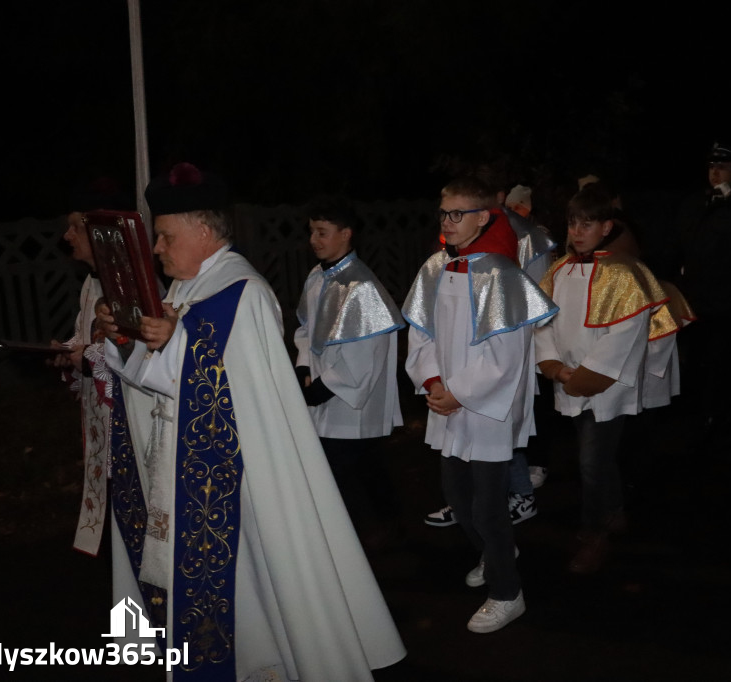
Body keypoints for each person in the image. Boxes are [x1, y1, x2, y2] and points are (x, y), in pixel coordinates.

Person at [97, 163, 405, 680]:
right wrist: (123, 337)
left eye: (165, 237)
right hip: (193, 473)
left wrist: (174, 342)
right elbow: (157, 377)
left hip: (240, 479)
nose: (157, 250)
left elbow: (220, 386)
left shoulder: (243, 292)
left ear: (202, 230)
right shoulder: (184, 290)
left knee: (261, 578)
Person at [403, 176, 558, 633]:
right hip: (446, 401)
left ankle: (508, 593)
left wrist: (459, 393)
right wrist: (432, 380)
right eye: (443, 213)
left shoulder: (501, 274)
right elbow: (421, 333)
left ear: (483, 217)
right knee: (457, 497)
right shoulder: (435, 268)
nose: (447, 223)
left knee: (489, 506)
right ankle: (496, 553)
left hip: (487, 406)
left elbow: (507, 357)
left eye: (458, 214)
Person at [535, 183, 674, 574]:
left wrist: (586, 374)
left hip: (605, 384)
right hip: (567, 377)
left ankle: (594, 534)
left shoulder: (625, 273)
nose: (577, 231)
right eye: (573, 223)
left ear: (606, 227)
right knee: (595, 458)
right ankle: (612, 510)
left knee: (591, 461)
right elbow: (542, 323)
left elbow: (627, 331)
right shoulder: (559, 270)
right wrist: (553, 366)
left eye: (588, 224)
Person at [293, 200, 404, 543]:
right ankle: (388, 524)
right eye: (312, 231)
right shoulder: (317, 277)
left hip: (350, 398)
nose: (314, 239)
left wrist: (322, 388)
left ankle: (354, 538)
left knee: (345, 469)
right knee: (364, 466)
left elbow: (363, 355)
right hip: (324, 387)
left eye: (322, 232)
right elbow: (305, 331)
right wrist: (302, 368)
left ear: (346, 234)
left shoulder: (361, 287)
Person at [667, 143, 731, 445]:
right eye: (712, 166)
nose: (715, 172)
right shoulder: (695, 202)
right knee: (698, 359)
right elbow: (679, 242)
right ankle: (702, 413)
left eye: (723, 166)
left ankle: (722, 416)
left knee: (725, 361)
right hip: (696, 297)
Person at [52, 181, 129, 557]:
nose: (66, 236)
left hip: (126, 429)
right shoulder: (90, 282)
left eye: (74, 227)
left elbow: (135, 357)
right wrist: (69, 353)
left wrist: (87, 357)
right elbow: (88, 338)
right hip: (99, 426)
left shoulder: (127, 280)